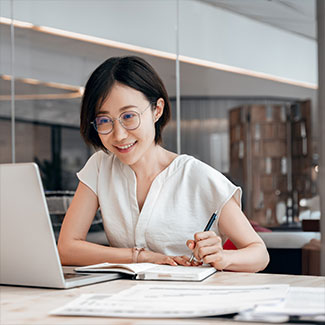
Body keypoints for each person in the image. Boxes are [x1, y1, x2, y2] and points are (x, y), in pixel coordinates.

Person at [58, 56, 269, 272]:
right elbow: (66, 249)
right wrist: (140, 257)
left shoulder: (196, 176)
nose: (119, 135)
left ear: (156, 110)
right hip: (125, 298)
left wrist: (223, 257)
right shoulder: (101, 166)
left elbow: (259, 253)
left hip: (190, 298)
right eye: (104, 121)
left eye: (129, 116)